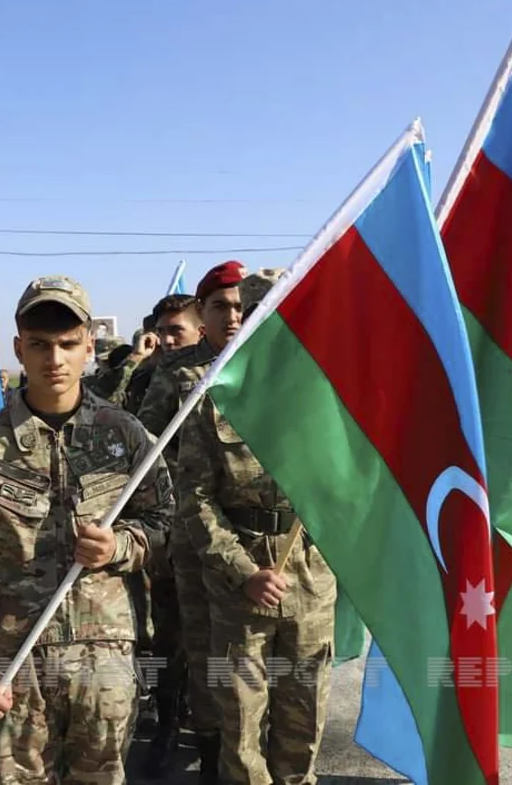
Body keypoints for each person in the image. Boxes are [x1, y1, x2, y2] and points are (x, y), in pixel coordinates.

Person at [0, 275, 174, 784]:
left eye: (69, 344)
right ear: (18, 349)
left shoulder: (125, 434)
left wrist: (119, 546)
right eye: (40, 345)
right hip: (16, 659)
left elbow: (164, 524)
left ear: (89, 346)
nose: (55, 359)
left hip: (104, 657)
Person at [181, 270, 336, 784]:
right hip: (239, 581)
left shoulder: (329, 400)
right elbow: (195, 500)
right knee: (241, 725)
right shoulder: (216, 395)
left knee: (304, 719)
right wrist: (243, 571)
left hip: (310, 575)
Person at [135, 260, 246, 782]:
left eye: (241, 306)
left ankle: (241, 746)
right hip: (190, 535)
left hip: (254, 538)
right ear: (204, 314)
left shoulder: (270, 364)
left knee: (245, 652)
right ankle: (185, 737)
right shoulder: (179, 373)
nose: (233, 316)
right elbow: (143, 446)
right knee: (186, 643)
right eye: (221, 306)